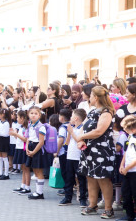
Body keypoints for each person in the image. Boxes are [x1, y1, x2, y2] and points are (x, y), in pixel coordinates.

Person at [77, 86, 115, 218]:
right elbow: (83, 127)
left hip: (102, 151)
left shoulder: (106, 112)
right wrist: (80, 139)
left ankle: (108, 208)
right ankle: (92, 205)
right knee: (90, 178)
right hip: (89, 150)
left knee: (103, 179)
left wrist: (82, 137)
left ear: (96, 97)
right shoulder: (92, 111)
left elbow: (99, 131)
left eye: (91, 95)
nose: (89, 97)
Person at [59, 108, 88, 207]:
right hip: (70, 156)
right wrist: (69, 133)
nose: (70, 118)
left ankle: (82, 199)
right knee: (69, 178)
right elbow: (67, 142)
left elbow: (79, 139)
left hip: (78, 157)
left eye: (71, 116)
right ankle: (68, 197)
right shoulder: (72, 128)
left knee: (81, 179)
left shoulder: (82, 128)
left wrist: (71, 132)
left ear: (76, 118)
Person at [25, 106, 47, 200]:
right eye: (31, 113)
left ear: (39, 115)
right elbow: (28, 138)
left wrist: (33, 152)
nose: (33, 115)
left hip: (37, 149)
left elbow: (41, 142)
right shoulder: (30, 124)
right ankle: (37, 191)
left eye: (36, 113)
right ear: (28, 114)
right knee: (34, 170)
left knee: (39, 171)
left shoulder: (41, 127)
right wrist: (26, 148)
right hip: (31, 147)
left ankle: (40, 192)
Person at [118, 115, 136, 221]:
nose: (124, 130)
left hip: (134, 171)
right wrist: (122, 165)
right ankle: (129, 215)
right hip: (127, 170)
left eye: (126, 128)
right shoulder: (130, 137)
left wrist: (127, 167)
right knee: (126, 193)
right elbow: (126, 152)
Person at [11, 110, 31, 195]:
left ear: (22, 118)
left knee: (26, 168)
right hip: (19, 148)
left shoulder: (27, 127)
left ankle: (28, 187)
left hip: (24, 149)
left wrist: (16, 134)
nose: (17, 118)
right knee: (23, 168)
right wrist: (15, 134)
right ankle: (23, 185)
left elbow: (26, 139)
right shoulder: (21, 127)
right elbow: (19, 139)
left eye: (18, 117)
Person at [55, 109, 72, 196]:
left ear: (61, 117)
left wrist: (56, 151)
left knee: (64, 171)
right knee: (69, 171)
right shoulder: (71, 125)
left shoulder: (62, 127)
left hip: (63, 152)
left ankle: (67, 188)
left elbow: (60, 140)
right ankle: (69, 188)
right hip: (70, 151)